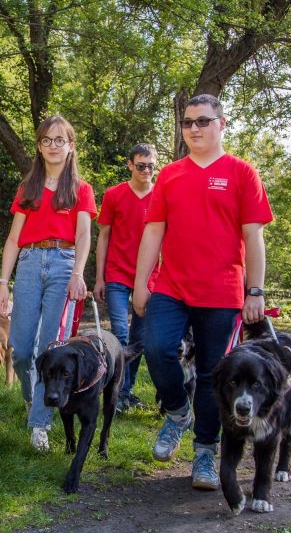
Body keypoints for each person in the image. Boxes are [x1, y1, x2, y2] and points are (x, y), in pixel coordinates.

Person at [132, 94, 273, 491]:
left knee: (216, 376)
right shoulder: (171, 175)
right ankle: (178, 413)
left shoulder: (243, 173)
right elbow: (153, 232)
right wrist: (142, 283)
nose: (194, 128)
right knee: (157, 347)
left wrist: (255, 291)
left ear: (222, 124)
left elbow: (254, 236)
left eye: (203, 121)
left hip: (223, 293)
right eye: (188, 122)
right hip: (171, 286)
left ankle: (206, 453)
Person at [0, 114, 97, 452]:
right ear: (39, 146)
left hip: (64, 263)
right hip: (28, 262)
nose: (53, 146)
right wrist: (3, 283)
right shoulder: (29, 188)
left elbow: (84, 235)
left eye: (60, 140)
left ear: (71, 146)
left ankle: (40, 423)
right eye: (47, 140)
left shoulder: (81, 190)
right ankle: (31, 396)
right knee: (23, 350)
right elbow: (12, 239)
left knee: (49, 348)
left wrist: (78, 273)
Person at [93, 143, 160, 413]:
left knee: (139, 338)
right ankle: (116, 392)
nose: (146, 171)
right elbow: (104, 237)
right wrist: (99, 278)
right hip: (117, 273)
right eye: (141, 165)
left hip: (149, 278)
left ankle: (127, 390)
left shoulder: (161, 195)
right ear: (130, 165)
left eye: (151, 166)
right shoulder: (114, 195)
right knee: (120, 332)